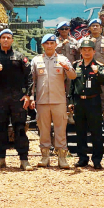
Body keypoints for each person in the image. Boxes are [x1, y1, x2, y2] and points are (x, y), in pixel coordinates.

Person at [0, 29, 33, 170]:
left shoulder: (19, 56)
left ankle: (24, 160)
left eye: (8, 37)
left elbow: (29, 76)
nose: (6, 40)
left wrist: (28, 95)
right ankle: (0, 159)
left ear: (12, 40)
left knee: (20, 129)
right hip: (0, 99)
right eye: (3, 37)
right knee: (1, 130)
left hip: (17, 99)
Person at [30, 34, 75, 169]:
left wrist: (67, 68)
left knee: (60, 129)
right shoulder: (36, 60)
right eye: (47, 43)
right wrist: (31, 97)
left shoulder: (63, 59)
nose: (49, 46)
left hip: (59, 101)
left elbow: (73, 76)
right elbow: (32, 81)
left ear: (56, 44)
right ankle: (45, 157)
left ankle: (62, 158)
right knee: (44, 130)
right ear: (43, 45)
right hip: (42, 101)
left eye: (52, 43)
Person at [69, 38, 104, 168]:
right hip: (79, 102)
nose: (86, 52)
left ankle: (97, 160)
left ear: (94, 51)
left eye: (89, 50)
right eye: (84, 50)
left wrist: (97, 73)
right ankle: (82, 158)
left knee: (96, 132)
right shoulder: (76, 65)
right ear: (80, 51)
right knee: (80, 132)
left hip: (93, 101)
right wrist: (70, 101)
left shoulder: (99, 66)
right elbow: (72, 84)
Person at [83, 19, 104, 125]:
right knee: (89, 95)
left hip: (102, 72)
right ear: (89, 28)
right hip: (88, 72)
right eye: (93, 25)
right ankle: (89, 120)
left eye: (97, 25)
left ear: (101, 28)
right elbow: (79, 53)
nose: (95, 27)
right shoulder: (84, 40)